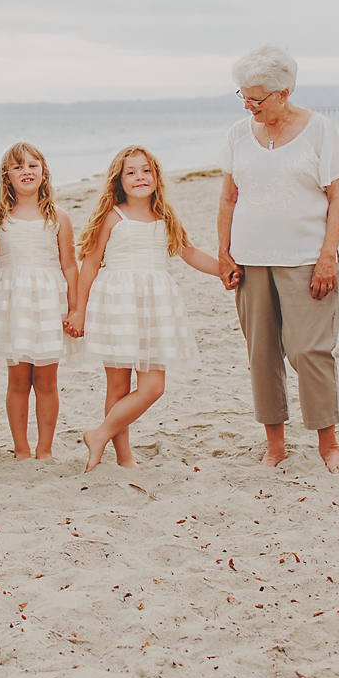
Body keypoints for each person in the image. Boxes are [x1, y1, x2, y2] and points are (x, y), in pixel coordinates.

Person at [217, 43, 339, 472]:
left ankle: (327, 443)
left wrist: (327, 256)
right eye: (242, 95)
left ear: (284, 92)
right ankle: (274, 443)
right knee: (261, 353)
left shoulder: (319, 130)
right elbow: (228, 197)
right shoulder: (239, 134)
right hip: (250, 259)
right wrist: (223, 253)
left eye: (256, 97)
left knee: (309, 350)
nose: (248, 105)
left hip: (306, 258)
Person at [66, 145, 222, 472]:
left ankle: (99, 434)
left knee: (153, 387)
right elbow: (90, 264)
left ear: (156, 176)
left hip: (156, 306)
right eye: (131, 172)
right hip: (116, 303)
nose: (140, 177)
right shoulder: (112, 216)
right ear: (118, 180)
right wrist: (78, 310)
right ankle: (124, 457)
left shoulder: (166, 217)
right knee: (119, 386)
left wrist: (224, 269)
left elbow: (190, 252)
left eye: (146, 170)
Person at [0, 142, 79, 460]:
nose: (26, 171)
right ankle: (22, 449)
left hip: (48, 302)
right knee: (18, 379)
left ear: (43, 173)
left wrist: (76, 307)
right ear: (6, 177)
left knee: (46, 380)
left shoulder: (58, 216)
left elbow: (69, 264)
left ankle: (44, 449)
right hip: (12, 302)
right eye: (18, 166)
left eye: (33, 165)